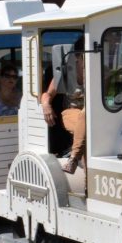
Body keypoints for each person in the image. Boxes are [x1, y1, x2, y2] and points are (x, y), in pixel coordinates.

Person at [41, 38, 85, 174]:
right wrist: (46, 104)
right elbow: (47, 94)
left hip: (93, 115)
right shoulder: (67, 71)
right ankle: (74, 158)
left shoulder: (102, 71)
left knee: (89, 148)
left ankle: (87, 189)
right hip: (71, 113)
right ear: (77, 55)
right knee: (86, 114)